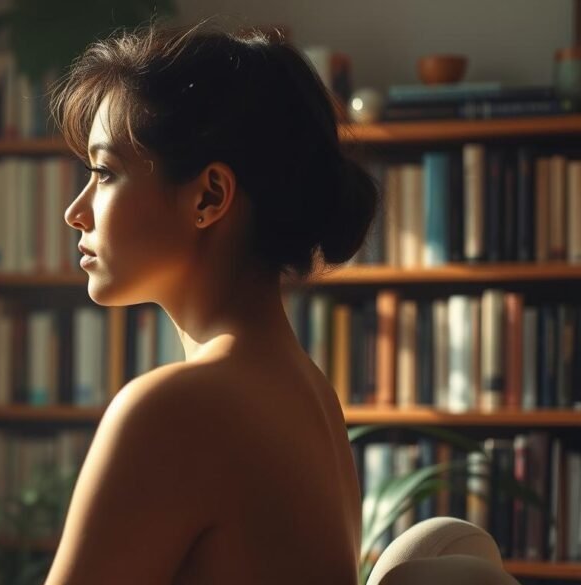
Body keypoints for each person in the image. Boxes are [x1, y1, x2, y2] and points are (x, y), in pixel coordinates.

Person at [44, 17, 379, 585]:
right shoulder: (309, 394)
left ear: (209, 196)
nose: (75, 211)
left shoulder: (174, 410)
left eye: (104, 173)